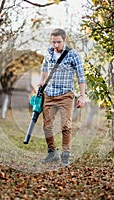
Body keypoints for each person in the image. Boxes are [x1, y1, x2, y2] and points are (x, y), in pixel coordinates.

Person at [38, 28, 86, 167]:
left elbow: (81, 77)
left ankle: (66, 155)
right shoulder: (48, 52)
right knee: (47, 125)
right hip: (50, 94)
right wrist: (42, 81)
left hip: (66, 95)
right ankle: (52, 152)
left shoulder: (73, 55)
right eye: (53, 42)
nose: (56, 45)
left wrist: (82, 96)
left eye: (58, 42)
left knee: (65, 125)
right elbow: (44, 67)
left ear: (64, 40)